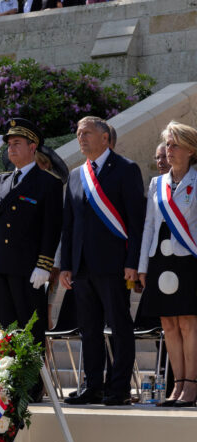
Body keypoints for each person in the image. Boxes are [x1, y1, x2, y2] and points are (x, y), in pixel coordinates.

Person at [0, 120, 63, 390]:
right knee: (6, 326)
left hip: (28, 267)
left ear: (32, 147)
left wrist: (44, 263)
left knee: (30, 329)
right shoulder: (0, 181)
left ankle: (32, 386)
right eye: (9, 144)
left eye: (17, 143)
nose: (10, 149)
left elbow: (51, 228)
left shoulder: (47, 183)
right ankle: (8, 382)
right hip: (0, 263)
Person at [61, 116, 145, 406]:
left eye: (87, 133)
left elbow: (136, 222)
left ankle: (118, 388)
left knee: (120, 327)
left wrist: (133, 261)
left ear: (105, 137)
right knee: (90, 330)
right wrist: (66, 265)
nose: (81, 138)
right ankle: (93, 385)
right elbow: (69, 225)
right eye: (78, 133)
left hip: (115, 264)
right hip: (83, 266)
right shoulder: (75, 175)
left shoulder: (126, 169)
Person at [138, 121, 197, 407]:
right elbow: (148, 226)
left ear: (190, 149)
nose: (169, 151)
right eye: (167, 145)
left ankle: (192, 384)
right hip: (159, 259)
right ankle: (177, 385)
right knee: (168, 325)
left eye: (174, 145)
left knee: (187, 323)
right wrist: (142, 266)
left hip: (189, 258)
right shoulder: (156, 183)